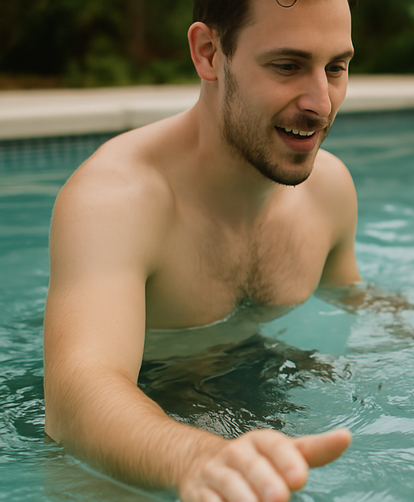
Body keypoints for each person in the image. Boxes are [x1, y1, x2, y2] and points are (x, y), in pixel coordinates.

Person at [43, 1, 360, 501]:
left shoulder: (331, 190)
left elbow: (351, 299)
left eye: (336, 68)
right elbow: (75, 397)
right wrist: (197, 456)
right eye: (287, 66)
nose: (321, 102)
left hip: (259, 388)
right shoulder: (115, 201)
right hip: (138, 436)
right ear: (209, 53)